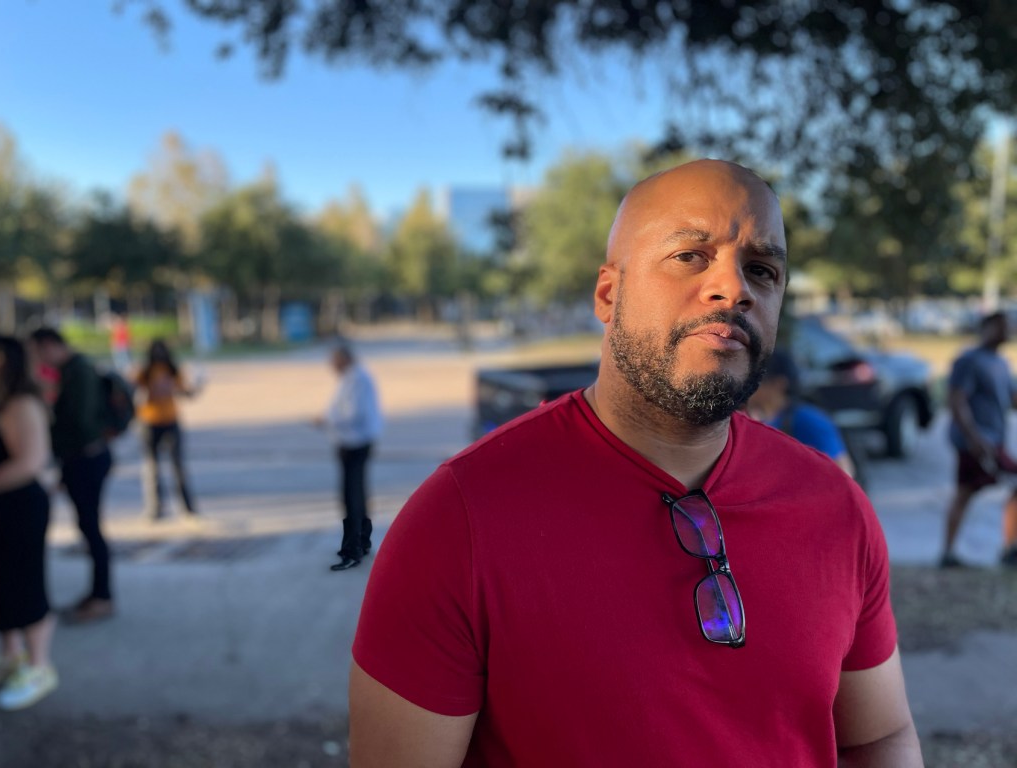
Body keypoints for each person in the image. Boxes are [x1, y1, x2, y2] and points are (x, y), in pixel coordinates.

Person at [349, 160, 922, 766]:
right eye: (691, 256)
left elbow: (878, 737)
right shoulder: (458, 520)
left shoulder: (836, 509)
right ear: (608, 293)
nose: (735, 288)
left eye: (762, 269)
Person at [29, 327, 115, 623]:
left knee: (91, 528)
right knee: (88, 527)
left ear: (50, 345)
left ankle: (102, 596)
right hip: (81, 458)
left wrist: (43, 423)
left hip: (86, 458)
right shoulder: (72, 370)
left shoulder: (77, 372)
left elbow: (78, 420)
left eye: (39, 351)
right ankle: (98, 594)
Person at [0, 336, 58, 710]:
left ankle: (39, 666)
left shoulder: (20, 405)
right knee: (2, 585)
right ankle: (11, 655)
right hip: (0, 510)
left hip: (18, 510)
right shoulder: (1, 403)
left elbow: (30, 463)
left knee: (25, 584)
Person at [940, 310, 1017, 569]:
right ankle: (948, 553)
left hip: (995, 442)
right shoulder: (969, 361)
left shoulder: (1001, 363)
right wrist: (974, 437)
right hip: (975, 442)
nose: (1007, 330)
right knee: (964, 492)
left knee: (970, 492)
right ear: (986, 327)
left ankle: (1010, 548)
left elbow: (1012, 399)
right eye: (1001, 326)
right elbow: (957, 400)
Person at [316, 341, 382, 572]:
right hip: (349, 441)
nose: (331, 365)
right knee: (353, 495)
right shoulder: (351, 377)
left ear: (343, 358)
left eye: (334, 360)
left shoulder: (358, 378)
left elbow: (354, 413)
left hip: (356, 442)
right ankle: (358, 542)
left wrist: (326, 421)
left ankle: (357, 544)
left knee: (353, 496)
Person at [747, 347, 858, 479]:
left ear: (779, 384)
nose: (748, 387)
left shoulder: (807, 420)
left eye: (755, 381)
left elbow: (843, 475)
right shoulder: (764, 419)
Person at [133, 339, 200, 522]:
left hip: (170, 420)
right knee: (151, 467)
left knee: (178, 466)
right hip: (149, 421)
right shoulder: (144, 371)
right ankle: (155, 507)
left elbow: (186, 392)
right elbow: (132, 389)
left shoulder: (173, 371)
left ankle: (187, 507)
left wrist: (197, 386)